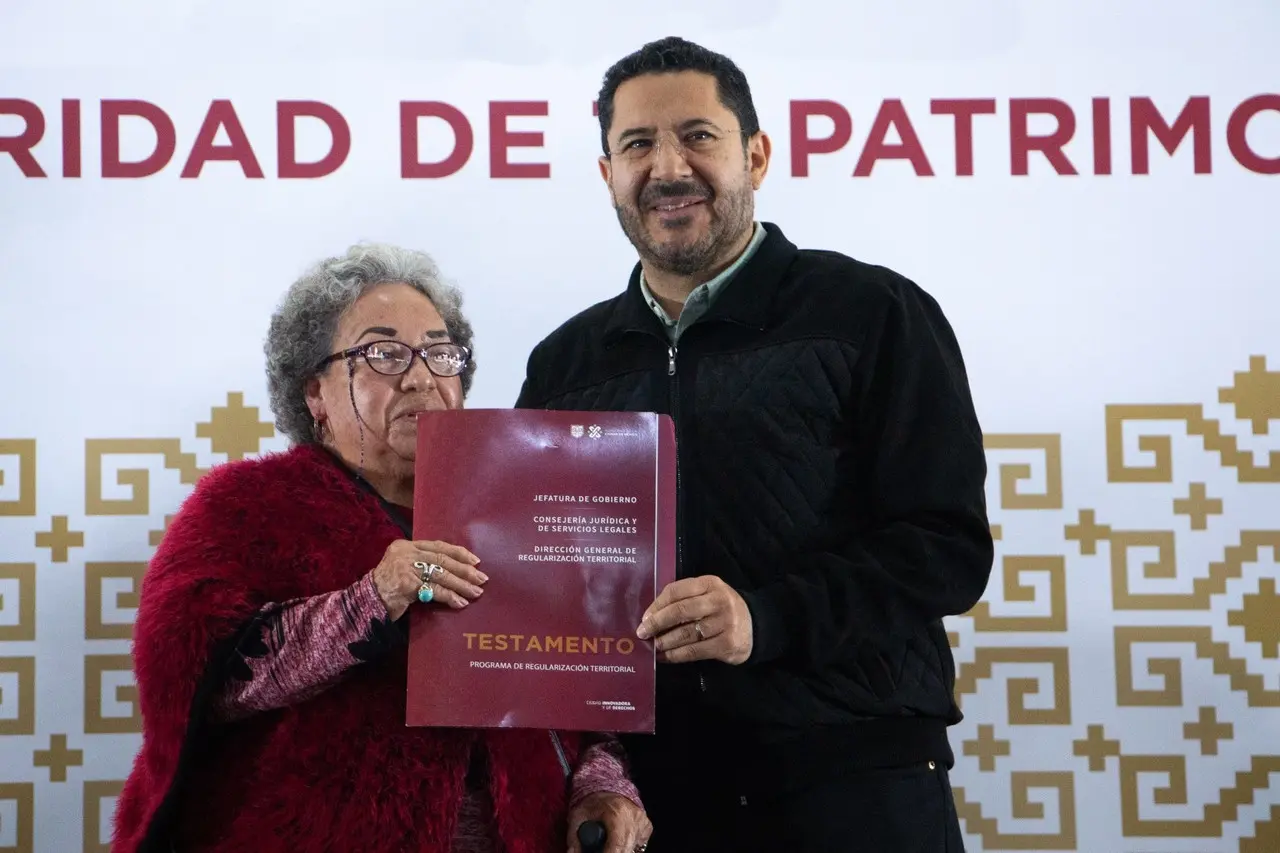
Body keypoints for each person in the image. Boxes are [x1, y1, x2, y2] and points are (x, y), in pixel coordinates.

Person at [515, 37, 993, 852]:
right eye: (637, 144)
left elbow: (946, 547)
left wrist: (764, 620)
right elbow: (539, 579)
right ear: (607, 176)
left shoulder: (870, 312)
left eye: (698, 136)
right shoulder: (565, 362)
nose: (668, 167)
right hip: (654, 800)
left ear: (757, 154)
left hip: (854, 781)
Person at [113, 243, 653, 853]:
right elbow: (193, 678)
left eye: (440, 354)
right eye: (384, 353)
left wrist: (603, 785)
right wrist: (371, 599)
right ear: (315, 393)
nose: (421, 376)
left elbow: (583, 689)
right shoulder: (245, 505)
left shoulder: (527, 505)